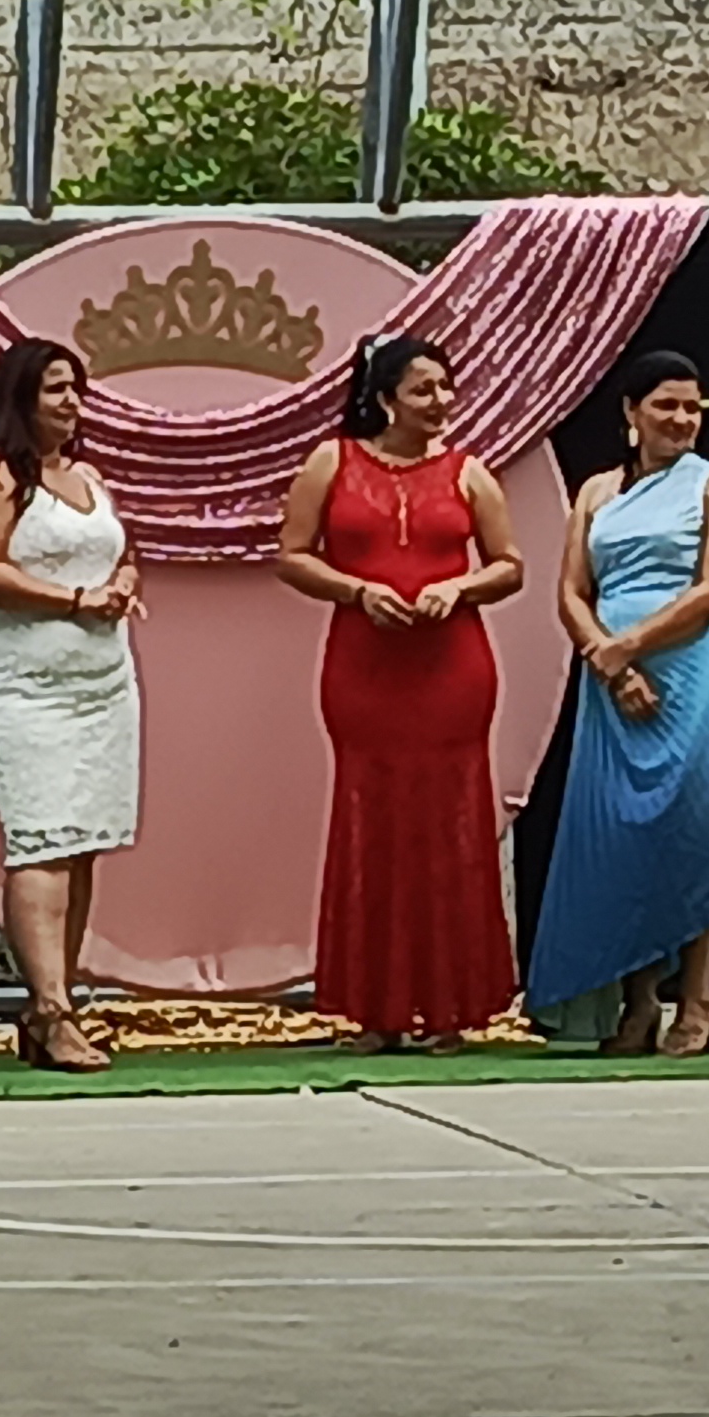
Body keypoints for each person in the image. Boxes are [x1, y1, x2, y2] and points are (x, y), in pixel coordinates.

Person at [275, 335, 527, 1055]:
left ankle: (452, 1007)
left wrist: (459, 588)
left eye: (446, 388)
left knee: (451, 822)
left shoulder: (469, 473)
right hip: (364, 670)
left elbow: (509, 566)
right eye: (424, 389)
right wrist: (357, 591)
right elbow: (292, 556)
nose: (441, 401)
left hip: (453, 673)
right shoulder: (332, 462)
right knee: (372, 821)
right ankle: (374, 1010)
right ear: (385, 399)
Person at [525, 352, 709, 1057]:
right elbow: (571, 591)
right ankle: (638, 999)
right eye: (666, 405)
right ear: (632, 413)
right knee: (622, 831)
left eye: (692, 407)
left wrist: (630, 646)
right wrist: (609, 659)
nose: (682, 419)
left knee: (697, 822)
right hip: (609, 680)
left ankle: (698, 997)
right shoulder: (597, 491)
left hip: (689, 671)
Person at [0, 339, 140, 1074]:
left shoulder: (88, 477)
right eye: (56, 388)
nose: (71, 402)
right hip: (23, 689)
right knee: (41, 841)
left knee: (82, 843)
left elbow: (118, 553)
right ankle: (52, 1010)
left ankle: (53, 1004)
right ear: (20, 396)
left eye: (76, 389)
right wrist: (74, 599)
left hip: (103, 686)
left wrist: (123, 583)